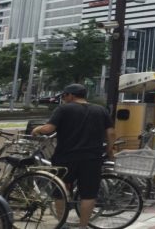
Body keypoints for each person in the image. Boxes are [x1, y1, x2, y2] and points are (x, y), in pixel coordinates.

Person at [31, 84, 115, 229]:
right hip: (92, 158)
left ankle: (62, 224)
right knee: (88, 194)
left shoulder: (64, 109)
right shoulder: (100, 110)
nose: (63, 99)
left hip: (65, 158)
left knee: (61, 191)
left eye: (64, 96)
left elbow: (49, 129)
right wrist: (109, 150)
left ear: (71, 95)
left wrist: (37, 129)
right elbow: (111, 133)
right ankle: (83, 226)